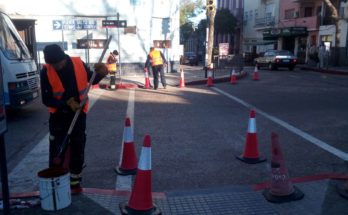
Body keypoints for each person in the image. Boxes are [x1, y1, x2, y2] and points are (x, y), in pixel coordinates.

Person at [40, 44, 108, 190]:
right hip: (58, 117)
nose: (56, 67)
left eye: (58, 63)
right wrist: (66, 103)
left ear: (63, 58)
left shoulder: (78, 63)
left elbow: (91, 80)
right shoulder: (46, 71)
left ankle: (75, 181)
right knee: (57, 149)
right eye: (53, 64)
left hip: (78, 114)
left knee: (78, 146)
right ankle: (56, 182)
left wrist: (101, 73)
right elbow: (46, 100)